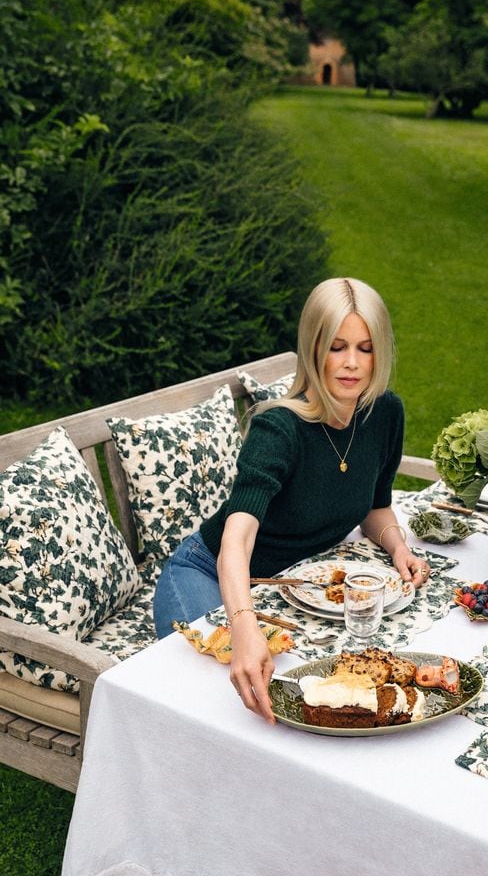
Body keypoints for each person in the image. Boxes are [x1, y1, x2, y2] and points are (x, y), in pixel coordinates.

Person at [153, 277, 430, 721]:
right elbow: (236, 541)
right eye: (337, 346)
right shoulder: (278, 430)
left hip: (289, 585)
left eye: (365, 347)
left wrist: (398, 546)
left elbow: (375, 506)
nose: (352, 364)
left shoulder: (385, 414)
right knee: (226, 697)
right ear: (312, 347)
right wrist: (243, 626)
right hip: (210, 570)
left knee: (331, 693)